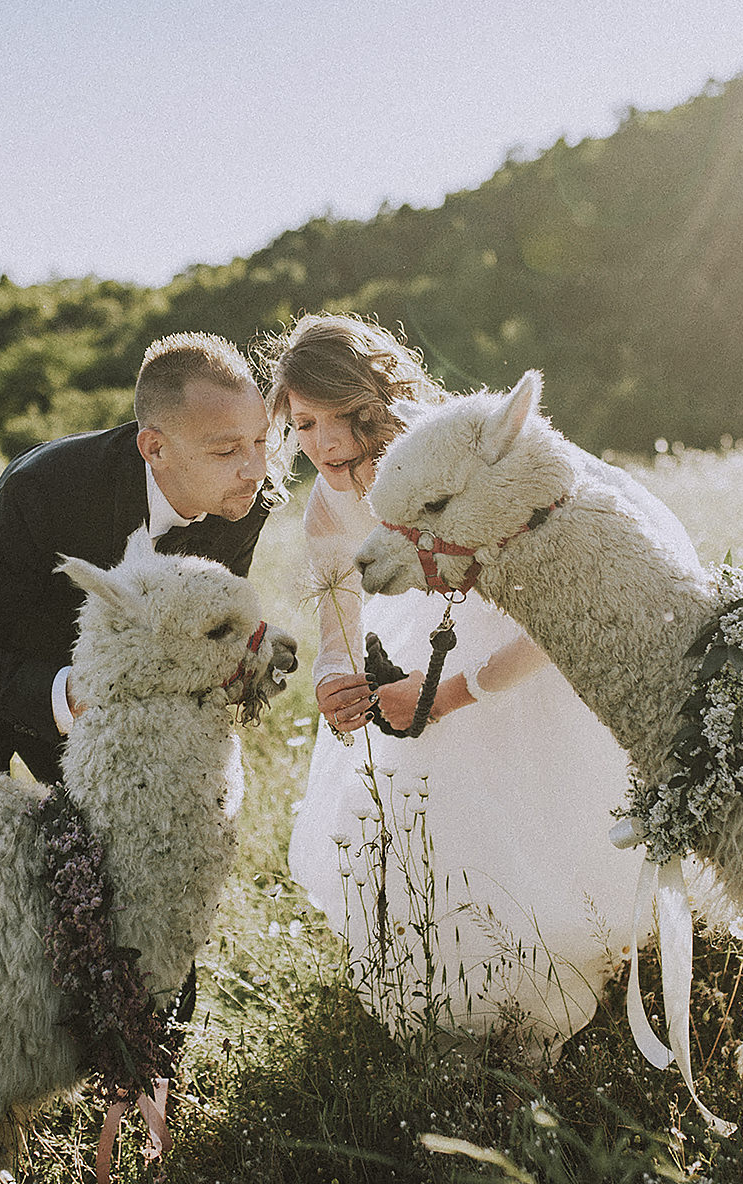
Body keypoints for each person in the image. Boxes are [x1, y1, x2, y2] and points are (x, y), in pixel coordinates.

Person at [261, 313, 641, 1059]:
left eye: (345, 416)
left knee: (540, 828)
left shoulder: (464, 458)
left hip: (522, 659)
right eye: (304, 423)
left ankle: (554, 990)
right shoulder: (325, 507)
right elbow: (340, 632)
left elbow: (570, 612)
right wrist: (336, 682)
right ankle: (459, 1006)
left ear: (382, 398)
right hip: (418, 671)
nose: (326, 443)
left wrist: (450, 694)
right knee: (434, 832)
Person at [0, 331, 276, 783]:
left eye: (261, 441)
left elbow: (204, 623)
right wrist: (69, 694)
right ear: (155, 449)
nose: (256, 470)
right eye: (227, 450)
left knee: (99, 821)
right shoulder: (46, 486)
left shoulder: (246, 500)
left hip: (87, 685)